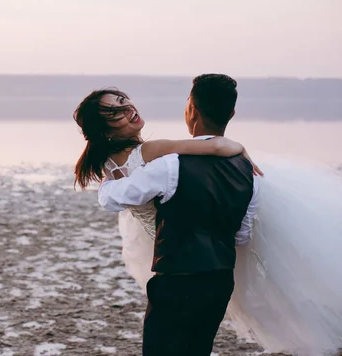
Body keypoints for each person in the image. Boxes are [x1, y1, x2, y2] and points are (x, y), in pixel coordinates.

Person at [85, 75, 342, 356]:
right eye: (115, 111)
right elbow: (242, 235)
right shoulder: (248, 174)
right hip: (218, 280)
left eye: (123, 102)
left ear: (191, 111)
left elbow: (114, 198)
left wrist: (108, 184)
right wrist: (238, 149)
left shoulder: (164, 164)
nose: (127, 109)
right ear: (231, 113)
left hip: (176, 275)